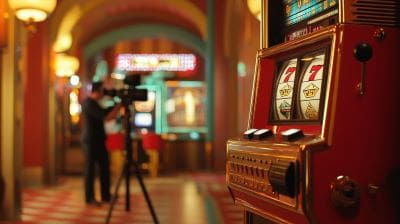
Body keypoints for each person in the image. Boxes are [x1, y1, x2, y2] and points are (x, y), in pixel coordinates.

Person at [81, 81, 121, 206]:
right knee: (90, 170)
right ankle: (90, 198)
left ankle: (106, 195)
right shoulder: (89, 103)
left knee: (104, 168)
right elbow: (107, 117)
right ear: (97, 91)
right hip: (91, 141)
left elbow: (106, 113)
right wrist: (119, 106)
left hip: (98, 140)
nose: (104, 94)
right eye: (103, 91)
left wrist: (116, 105)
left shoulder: (94, 104)